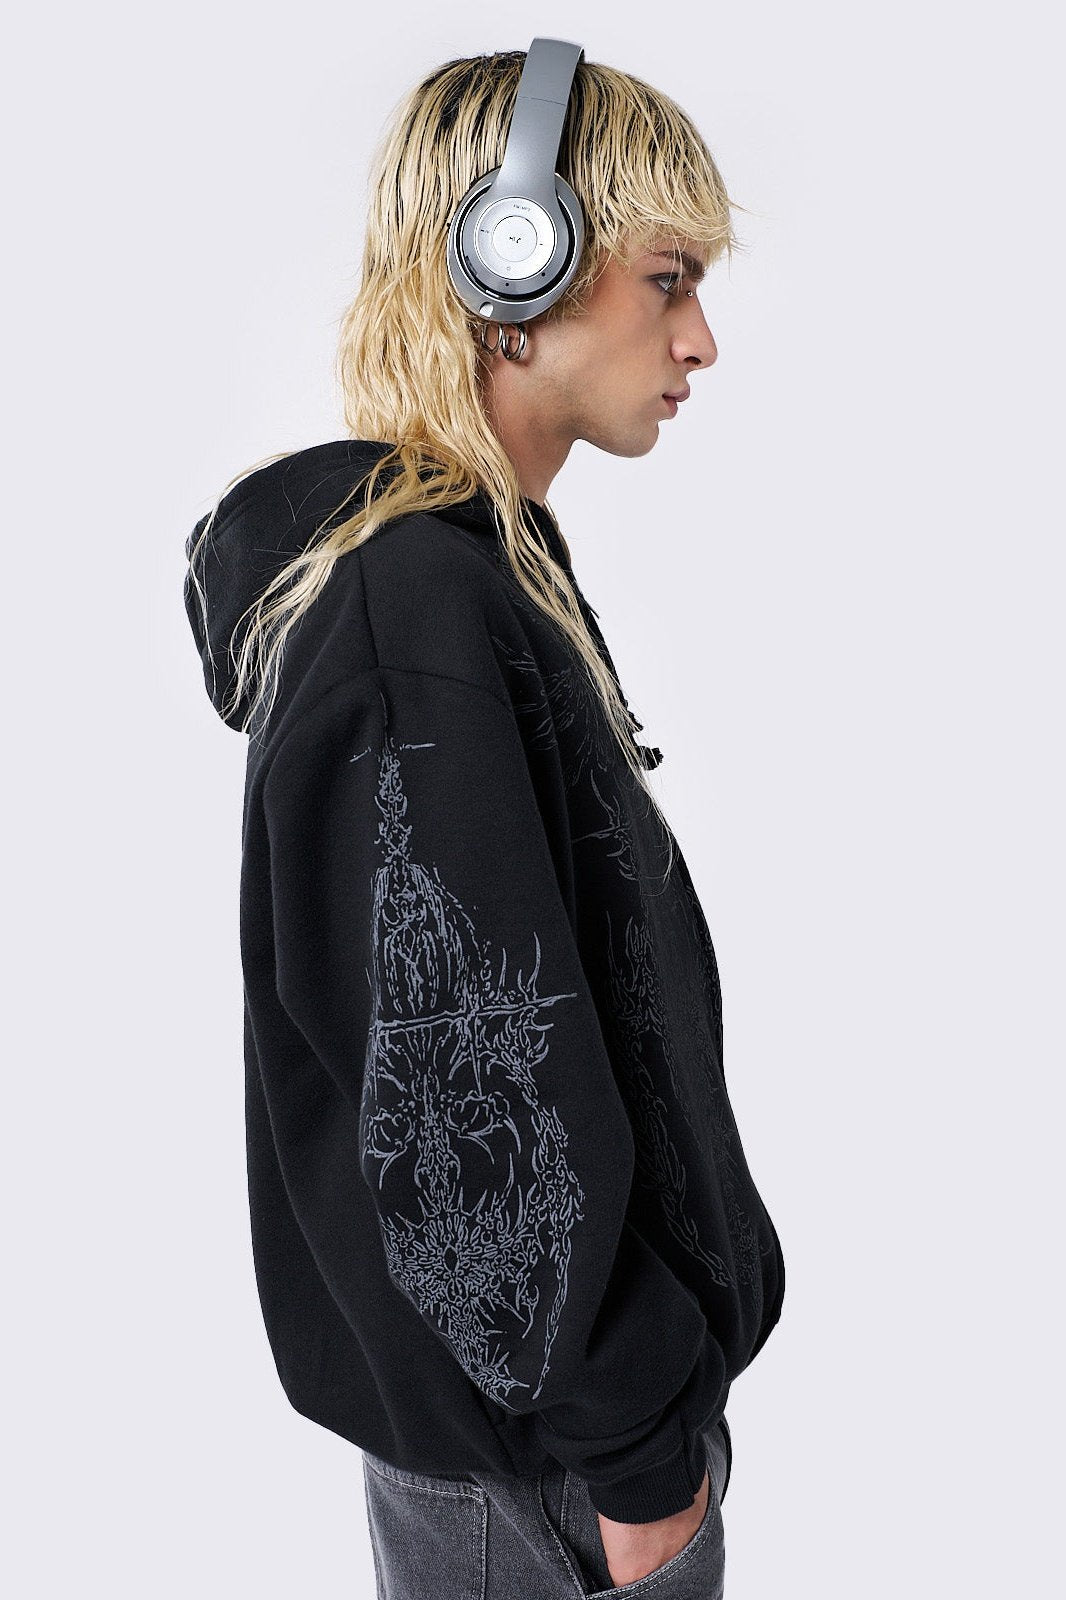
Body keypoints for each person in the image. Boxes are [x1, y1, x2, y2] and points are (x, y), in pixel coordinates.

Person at [184, 44, 784, 1600]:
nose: (698, 338)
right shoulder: (408, 612)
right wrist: (639, 1469)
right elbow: (462, 1103)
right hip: (557, 1482)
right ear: (510, 265)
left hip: (570, 1455)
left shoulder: (470, 577)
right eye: (666, 280)